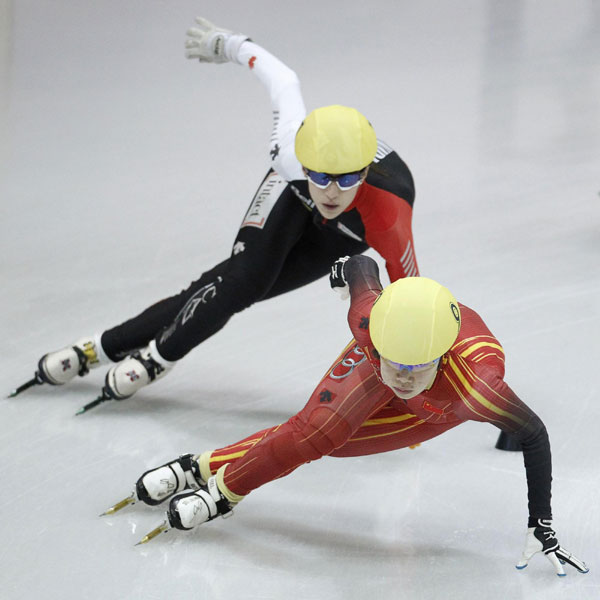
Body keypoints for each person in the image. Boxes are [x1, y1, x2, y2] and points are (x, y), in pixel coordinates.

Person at [13, 18, 419, 406]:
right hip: (291, 194)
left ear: (365, 172)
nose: (331, 191)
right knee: (240, 283)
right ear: (303, 162)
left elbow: (412, 302)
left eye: (346, 180)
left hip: (347, 230)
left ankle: (109, 347)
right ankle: (141, 354)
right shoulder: (290, 157)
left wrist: (415, 379)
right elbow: (283, 82)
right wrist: (228, 43)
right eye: (321, 175)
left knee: (237, 289)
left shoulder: (388, 216)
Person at [113, 255, 588, 576]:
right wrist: (342, 270)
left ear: (441, 357)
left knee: (338, 445)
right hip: (378, 363)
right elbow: (364, 267)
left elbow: (534, 433)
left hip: (440, 404)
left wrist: (540, 522)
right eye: (392, 360)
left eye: (413, 367)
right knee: (315, 432)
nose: (401, 376)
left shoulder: (478, 385)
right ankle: (212, 480)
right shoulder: (368, 322)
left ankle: (203, 466)